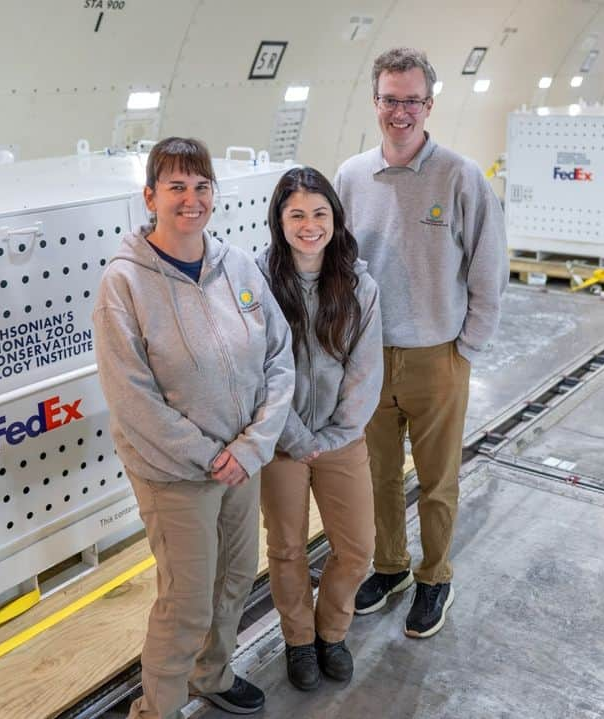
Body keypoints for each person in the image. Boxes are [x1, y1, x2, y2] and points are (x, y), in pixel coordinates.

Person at [93, 137, 295, 718]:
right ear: (150, 196)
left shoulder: (237, 265)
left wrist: (251, 447)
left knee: (233, 579)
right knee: (184, 602)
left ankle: (213, 673)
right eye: (176, 187)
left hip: (241, 463)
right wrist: (211, 456)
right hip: (176, 474)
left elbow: (279, 359)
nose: (191, 199)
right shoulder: (124, 284)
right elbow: (132, 398)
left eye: (201, 186)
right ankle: (156, 708)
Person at [333, 48, 509, 638]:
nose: (400, 111)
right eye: (390, 99)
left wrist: (467, 348)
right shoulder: (351, 177)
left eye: (412, 100)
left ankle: (436, 577)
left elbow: (488, 269)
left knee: (437, 479)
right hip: (369, 356)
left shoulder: (460, 176)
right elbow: (338, 266)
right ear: (375, 102)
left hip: (439, 356)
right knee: (377, 474)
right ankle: (391, 567)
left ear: (429, 105)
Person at [255, 167, 382, 691]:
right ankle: (300, 642)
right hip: (279, 441)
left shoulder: (358, 285)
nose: (310, 226)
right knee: (286, 548)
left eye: (319, 214)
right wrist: (291, 436)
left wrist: (331, 436)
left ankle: (333, 632)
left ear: (335, 217)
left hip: (340, 440)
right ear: (279, 221)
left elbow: (365, 369)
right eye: (297, 215)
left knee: (356, 548)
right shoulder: (257, 282)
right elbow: (254, 366)